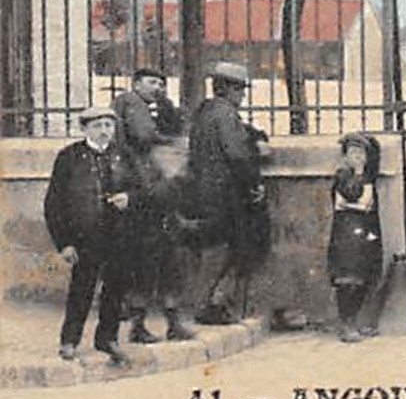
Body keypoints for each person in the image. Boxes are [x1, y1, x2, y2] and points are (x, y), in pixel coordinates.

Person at [44, 106, 136, 365]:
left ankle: (107, 338)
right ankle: (69, 341)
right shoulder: (69, 157)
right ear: (85, 128)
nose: (104, 131)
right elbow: (53, 204)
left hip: (118, 235)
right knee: (81, 289)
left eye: (108, 125)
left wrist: (128, 198)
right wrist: (64, 243)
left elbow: (140, 188)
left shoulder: (123, 155)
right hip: (85, 237)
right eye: (97, 125)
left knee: (115, 290)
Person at [113, 68, 194, 344]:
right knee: (151, 258)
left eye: (161, 83)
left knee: (164, 256)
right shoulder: (131, 102)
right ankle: (143, 325)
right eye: (151, 82)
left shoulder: (152, 106)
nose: (157, 87)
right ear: (136, 83)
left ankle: (165, 322)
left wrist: (165, 106)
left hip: (153, 191)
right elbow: (144, 135)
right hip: (144, 192)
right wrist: (171, 141)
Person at [189, 62, 270, 323]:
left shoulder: (206, 112)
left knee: (216, 249)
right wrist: (254, 184)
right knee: (224, 250)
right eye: (240, 89)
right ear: (227, 88)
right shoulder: (225, 115)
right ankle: (206, 307)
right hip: (223, 194)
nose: (243, 94)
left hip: (203, 192)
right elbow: (236, 154)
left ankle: (211, 305)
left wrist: (256, 135)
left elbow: (242, 135)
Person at [327, 134, 383, 343]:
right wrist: (358, 174)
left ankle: (355, 322)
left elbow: (365, 204)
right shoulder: (343, 174)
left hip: (364, 230)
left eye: (362, 153)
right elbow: (351, 195)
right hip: (347, 232)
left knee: (363, 276)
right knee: (348, 278)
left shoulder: (367, 175)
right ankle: (346, 324)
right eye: (353, 153)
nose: (358, 157)